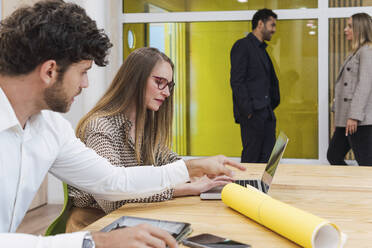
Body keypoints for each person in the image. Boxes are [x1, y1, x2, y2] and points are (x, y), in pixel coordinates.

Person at [0, 1, 245, 247]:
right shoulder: (88, 126)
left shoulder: (50, 128)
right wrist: (94, 242)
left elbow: (113, 181)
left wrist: (189, 168)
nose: (85, 85)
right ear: (50, 71)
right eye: (83, 72)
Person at [66, 47, 235, 232]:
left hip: (132, 217)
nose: (167, 93)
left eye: (169, 85)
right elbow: (112, 200)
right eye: (159, 82)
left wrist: (202, 173)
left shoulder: (144, 123)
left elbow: (169, 161)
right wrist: (184, 188)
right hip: (96, 225)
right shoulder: (100, 127)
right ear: (134, 80)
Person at [230, 8, 280, 163]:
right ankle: (245, 187)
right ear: (260, 24)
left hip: (266, 114)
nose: (274, 30)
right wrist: (249, 111)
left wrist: (269, 107)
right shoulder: (242, 46)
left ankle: (262, 188)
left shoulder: (263, 50)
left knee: (268, 158)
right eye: (272, 25)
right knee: (252, 157)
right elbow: (237, 81)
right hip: (252, 115)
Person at [327, 13, 372, 166]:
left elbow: (365, 85)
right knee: (333, 155)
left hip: (359, 120)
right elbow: (343, 87)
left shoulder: (367, 51)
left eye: (350, 26)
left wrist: (354, 116)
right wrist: (338, 117)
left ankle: (364, 189)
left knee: (366, 163)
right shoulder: (355, 52)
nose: (345, 29)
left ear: (360, 28)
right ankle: (351, 188)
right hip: (346, 118)